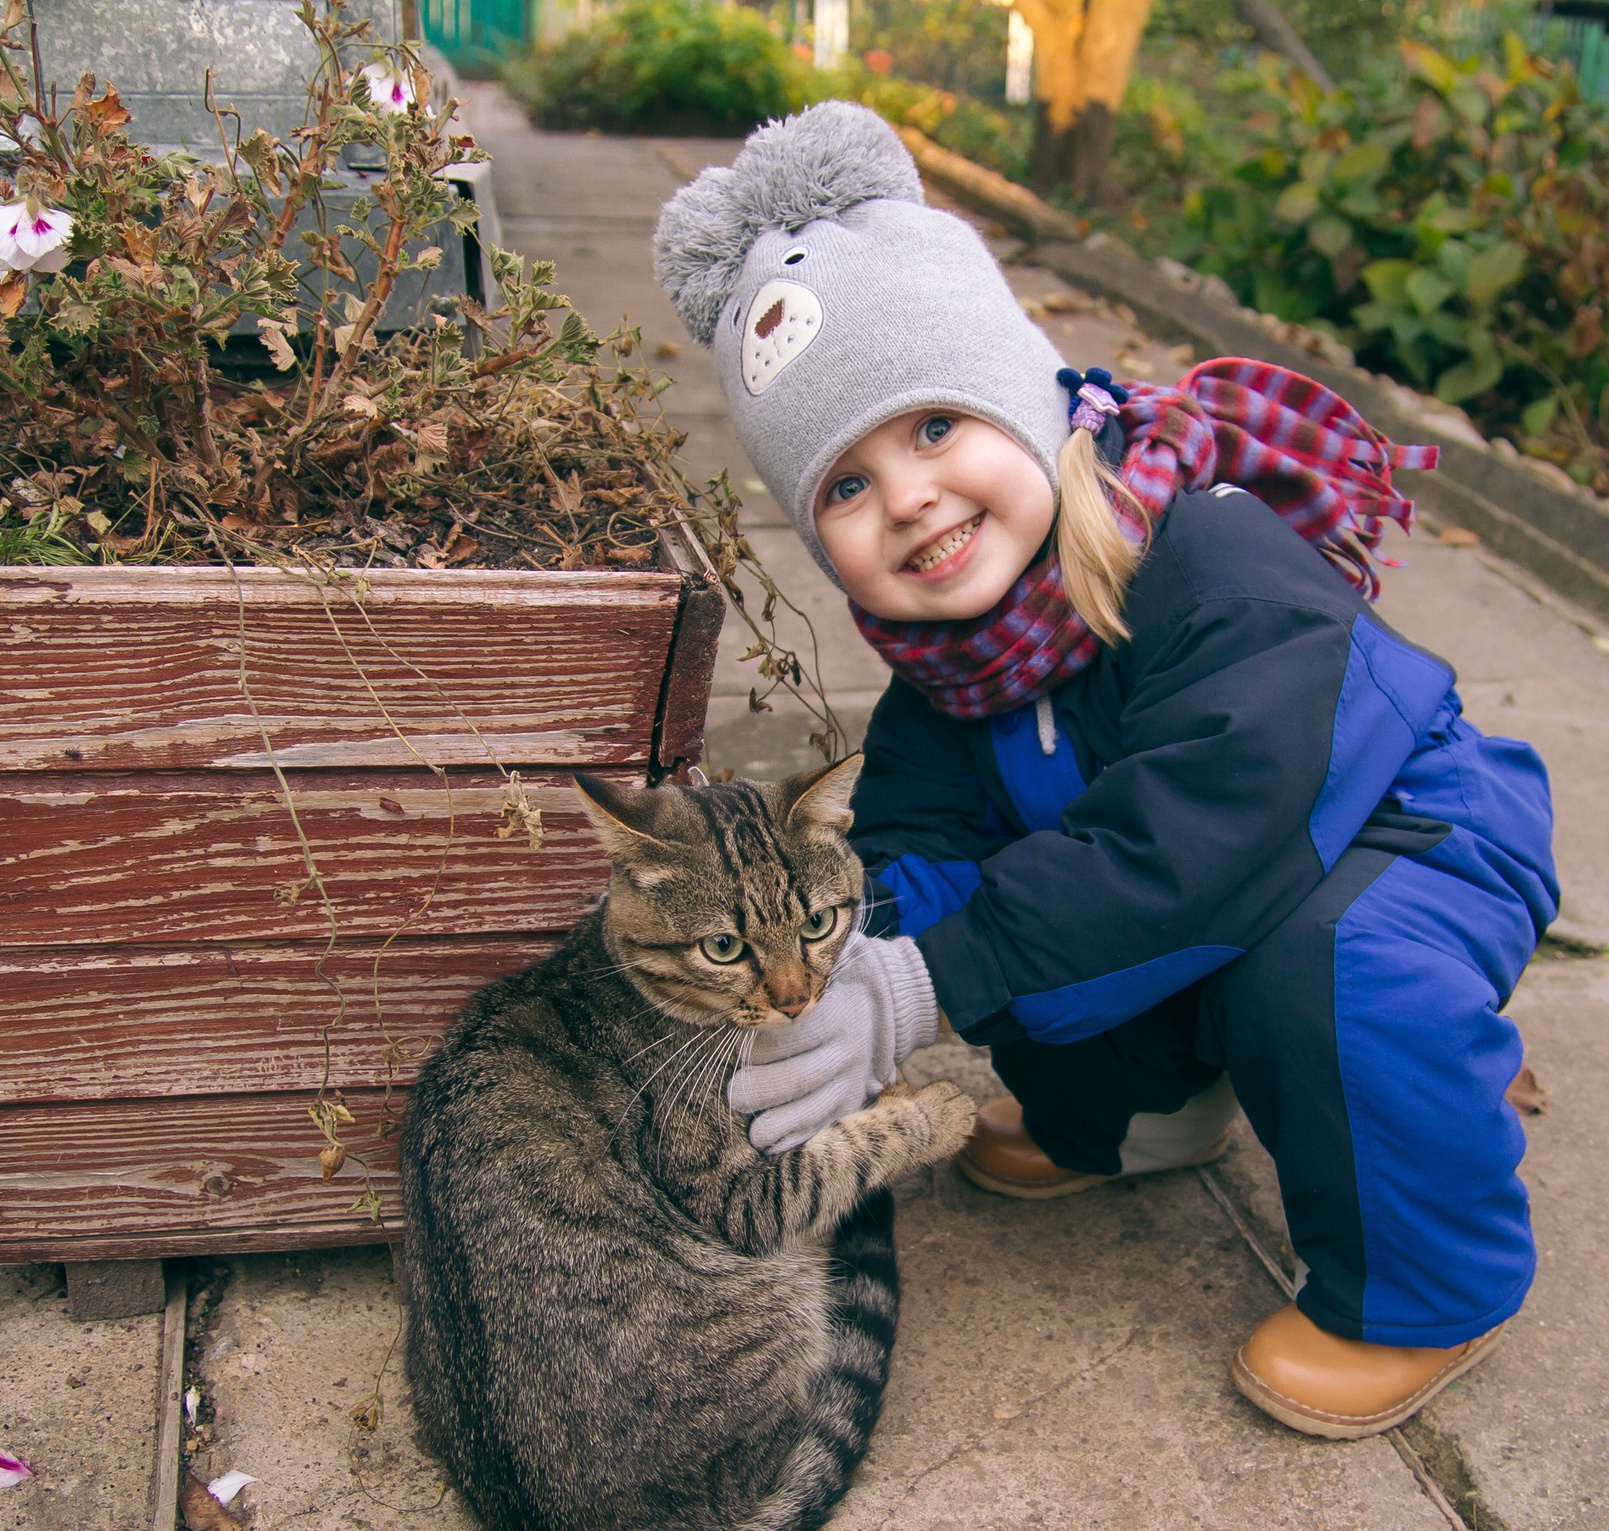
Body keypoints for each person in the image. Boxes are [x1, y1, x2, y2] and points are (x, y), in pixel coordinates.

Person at [651, 103, 1558, 1439]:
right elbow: (911, 841)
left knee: (1330, 977)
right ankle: (1156, 1112)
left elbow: (1197, 839)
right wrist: (840, 966)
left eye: (936, 426)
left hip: (1401, 830)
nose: (905, 497)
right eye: (843, 485)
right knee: (1017, 941)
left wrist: (928, 987)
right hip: (1200, 876)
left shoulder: (1212, 564)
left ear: (1025, 398)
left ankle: (1434, 1284)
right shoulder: (947, 670)